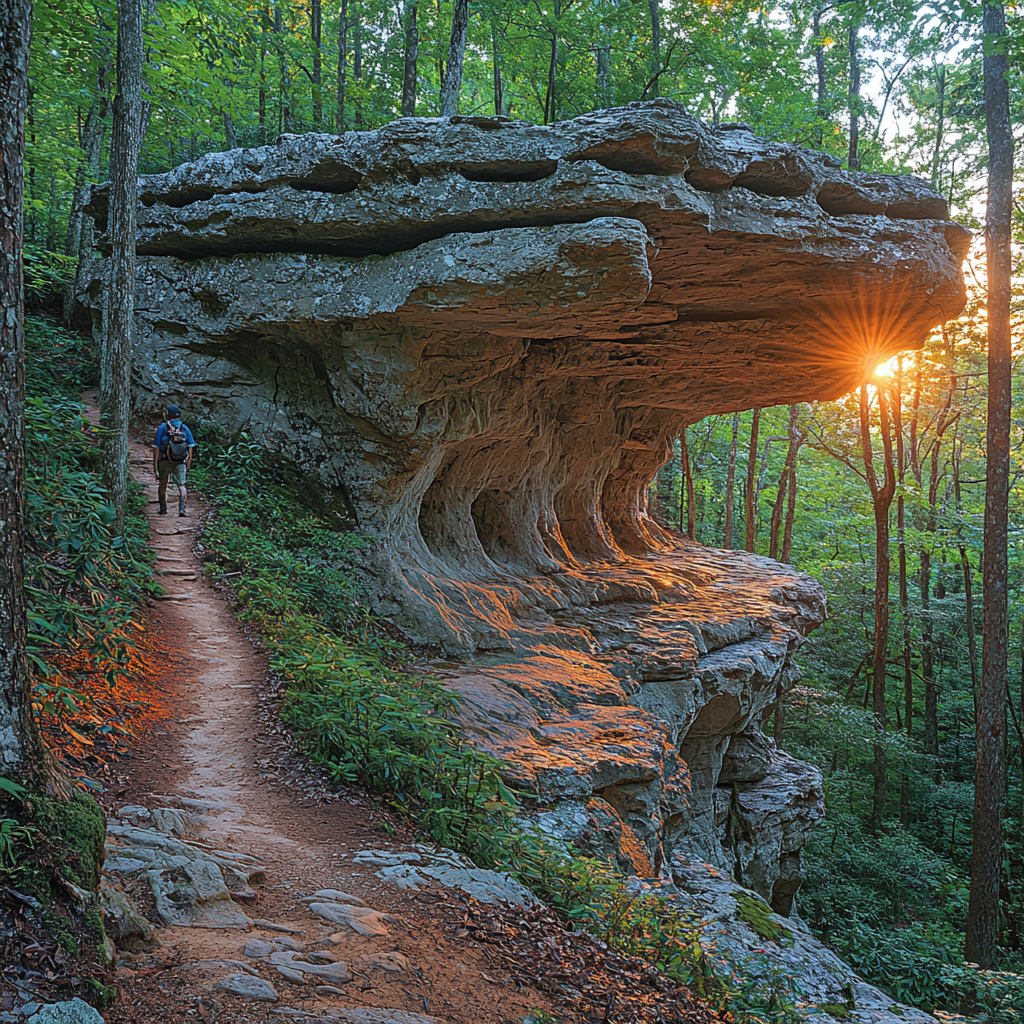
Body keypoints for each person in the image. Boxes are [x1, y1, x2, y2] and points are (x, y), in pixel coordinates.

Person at [152, 404, 196, 517]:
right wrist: (189, 462)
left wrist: (155, 466)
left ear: (168, 415)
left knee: (163, 485)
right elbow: (190, 446)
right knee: (181, 485)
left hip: (164, 460)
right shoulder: (184, 428)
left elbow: (156, 447)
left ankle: (163, 508)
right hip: (180, 461)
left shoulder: (162, 427)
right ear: (179, 415)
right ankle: (182, 508)